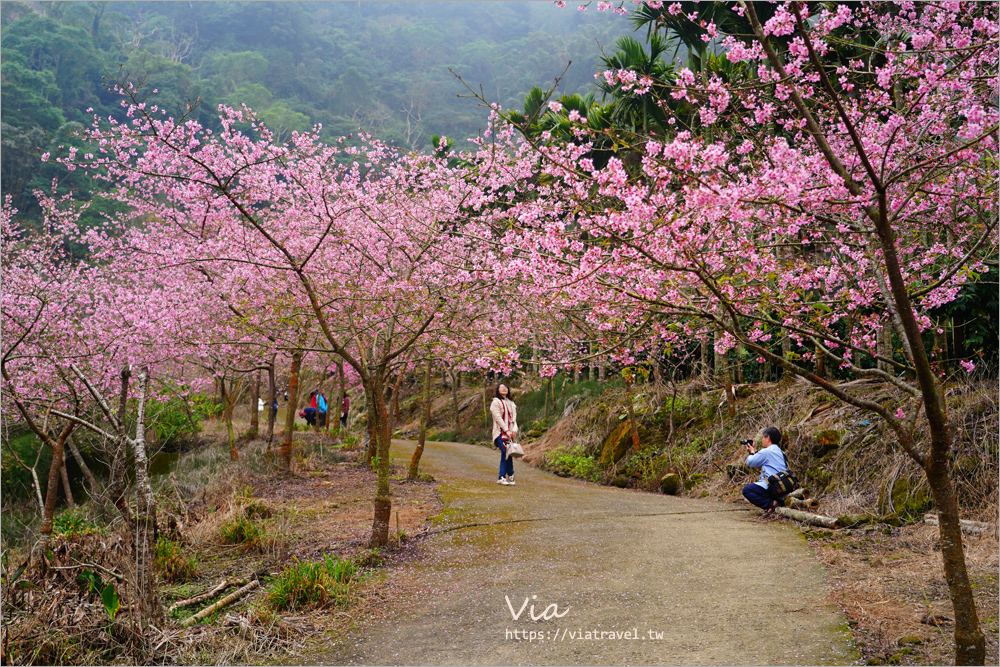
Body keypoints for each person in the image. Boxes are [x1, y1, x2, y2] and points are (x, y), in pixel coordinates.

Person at [741, 426, 788, 512]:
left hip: (773, 485)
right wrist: (755, 451)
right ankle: (776, 501)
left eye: (763, 438)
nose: (762, 440)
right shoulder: (779, 451)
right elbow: (762, 459)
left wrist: (751, 453)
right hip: (783, 485)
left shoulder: (767, 451)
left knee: (747, 490)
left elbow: (750, 462)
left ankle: (770, 504)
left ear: (768, 438)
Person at [490, 383, 519, 486]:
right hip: (500, 432)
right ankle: (505, 476)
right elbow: (498, 418)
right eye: (501, 387)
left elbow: (514, 419)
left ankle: (507, 476)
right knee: (505, 451)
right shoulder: (495, 402)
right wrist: (506, 430)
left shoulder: (511, 403)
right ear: (498, 390)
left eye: (506, 387)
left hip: (509, 434)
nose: (504, 389)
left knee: (508, 453)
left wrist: (514, 430)